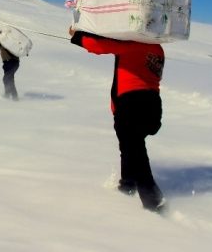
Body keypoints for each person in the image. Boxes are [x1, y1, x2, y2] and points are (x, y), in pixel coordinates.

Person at [69, 26, 166, 213]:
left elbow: (98, 46)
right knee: (130, 147)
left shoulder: (134, 45)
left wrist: (77, 35)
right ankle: (127, 185)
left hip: (132, 103)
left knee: (134, 150)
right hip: (153, 106)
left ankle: (154, 202)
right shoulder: (157, 49)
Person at [0, 34, 19, 101]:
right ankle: (10, 96)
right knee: (8, 80)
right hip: (7, 63)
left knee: (7, 79)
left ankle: (14, 98)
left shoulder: (9, 41)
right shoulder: (1, 41)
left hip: (12, 62)